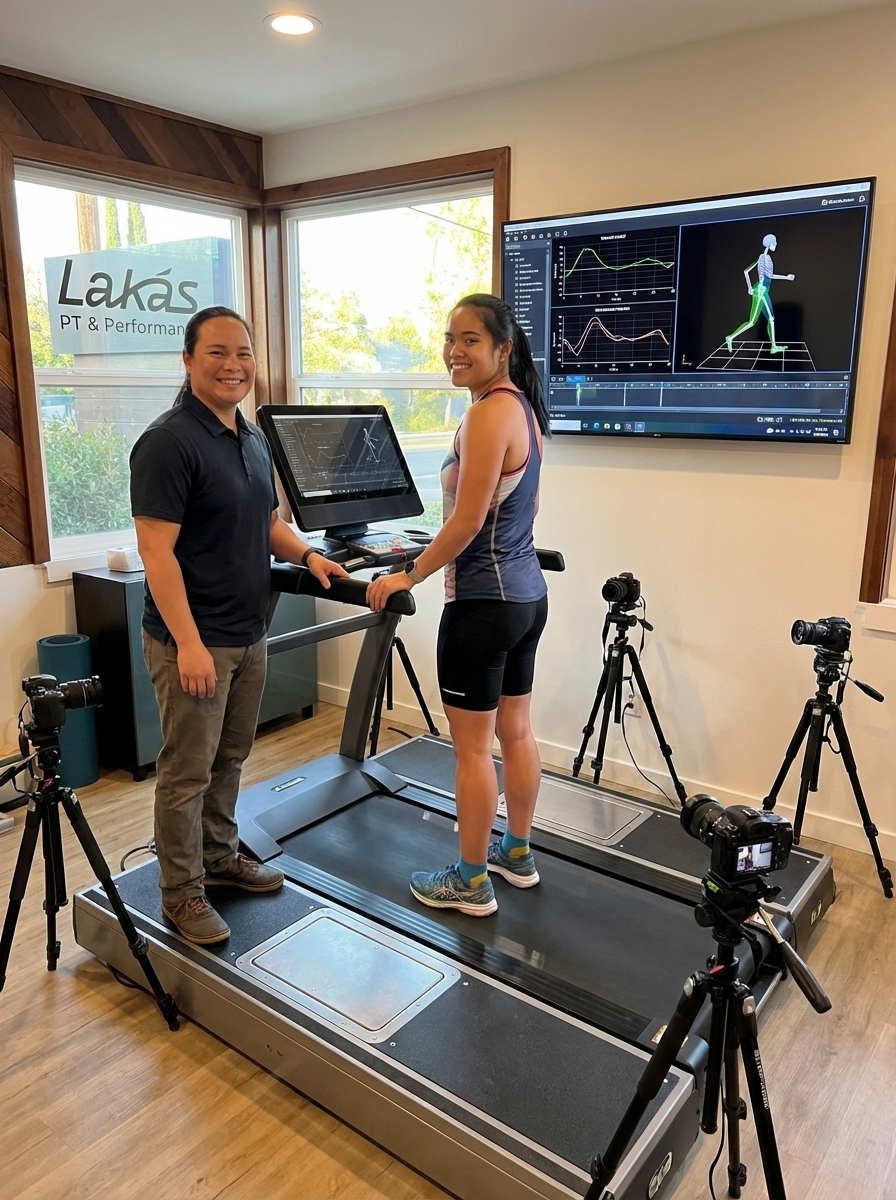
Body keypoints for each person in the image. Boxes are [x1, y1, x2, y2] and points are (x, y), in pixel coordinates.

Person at [130, 306, 347, 944]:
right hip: (192, 642)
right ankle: (181, 892)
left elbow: (266, 523)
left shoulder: (248, 435)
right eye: (219, 353)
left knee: (230, 757)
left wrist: (307, 554)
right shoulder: (169, 441)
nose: (234, 365)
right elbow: (155, 553)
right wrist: (190, 644)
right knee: (186, 771)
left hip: (249, 632)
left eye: (244, 353)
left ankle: (219, 858)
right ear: (189, 360)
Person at [368, 294, 549, 917]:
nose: (455, 350)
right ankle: (515, 853)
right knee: (516, 730)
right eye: (450, 338)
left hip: (482, 604)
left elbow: (469, 521)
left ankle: (471, 881)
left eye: (471, 339)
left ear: (504, 349)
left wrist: (408, 575)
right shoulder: (523, 410)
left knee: (472, 748)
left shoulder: (487, 415)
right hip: (526, 596)